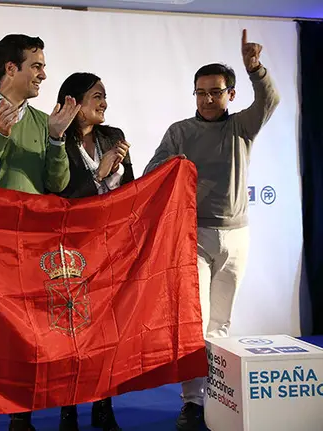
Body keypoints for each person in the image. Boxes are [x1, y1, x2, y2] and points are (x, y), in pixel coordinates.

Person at [143, 29, 280, 431]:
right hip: (194, 237)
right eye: (200, 92)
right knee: (196, 321)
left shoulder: (242, 127)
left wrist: (255, 69)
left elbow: (270, 100)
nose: (206, 99)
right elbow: (153, 173)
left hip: (238, 235)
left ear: (230, 95)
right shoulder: (180, 132)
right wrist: (175, 167)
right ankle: (191, 402)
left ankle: (216, 399)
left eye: (215, 92)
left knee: (221, 322)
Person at [0, 34, 80, 431]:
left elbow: (57, 184)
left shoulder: (45, 121)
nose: (44, 74)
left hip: (31, 246)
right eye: (36, 66)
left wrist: (57, 139)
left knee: (26, 331)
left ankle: (19, 415)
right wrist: (0, 135)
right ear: (11, 69)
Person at [51, 72, 132, 431]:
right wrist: (99, 172)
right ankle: (69, 409)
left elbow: (129, 190)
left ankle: (103, 406)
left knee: (105, 332)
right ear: (75, 102)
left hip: (109, 249)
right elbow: (61, 197)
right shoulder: (53, 140)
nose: (104, 103)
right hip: (69, 251)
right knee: (70, 331)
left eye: (104, 96)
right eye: (97, 96)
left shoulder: (113, 137)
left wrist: (121, 167)